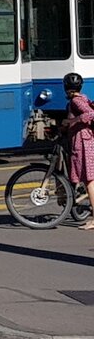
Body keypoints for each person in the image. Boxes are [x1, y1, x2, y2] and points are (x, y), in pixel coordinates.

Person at [60, 72, 94, 230]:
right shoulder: (82, 98)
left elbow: (90, 114)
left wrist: (73, 121)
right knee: (88, 180)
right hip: (83, 140)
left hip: (83, 142)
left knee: (89, 181)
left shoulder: (76, 101)